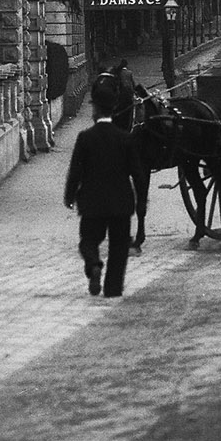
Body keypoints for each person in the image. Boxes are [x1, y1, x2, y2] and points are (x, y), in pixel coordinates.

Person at [66, 74, 150, 298]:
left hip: (92, 203)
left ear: (94, 110)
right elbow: (139, 175)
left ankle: (94, 264)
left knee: (88, 241)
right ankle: (112, 289)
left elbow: (75, 171)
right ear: (113, 109)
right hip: (121, 203)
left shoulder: (85, 138)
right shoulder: (126, 139)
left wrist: (69, 195)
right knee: (119, 248)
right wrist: (141, 200)